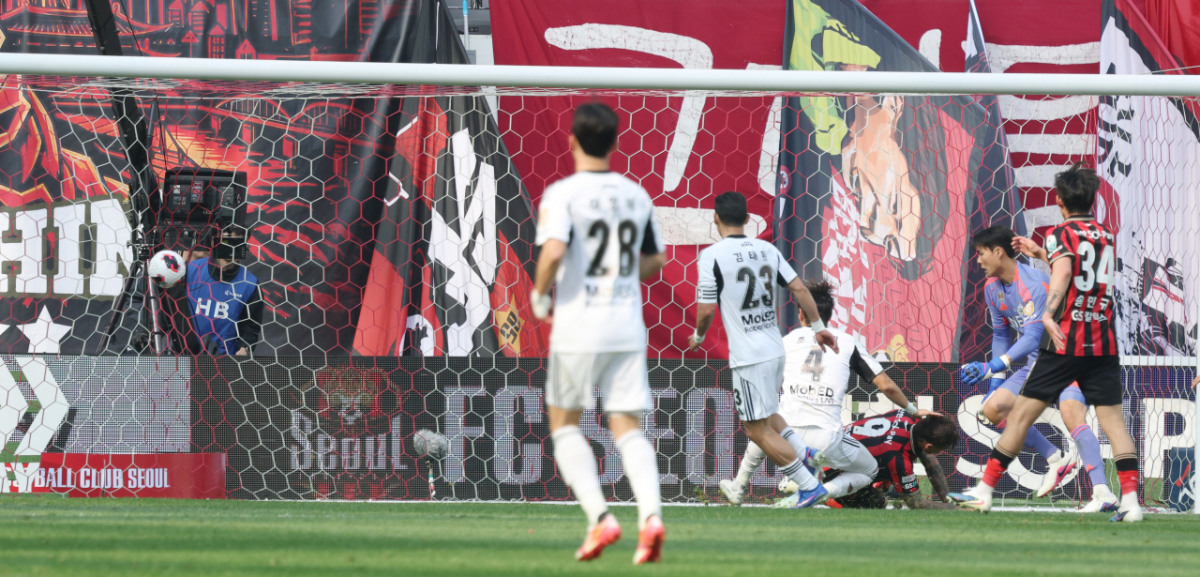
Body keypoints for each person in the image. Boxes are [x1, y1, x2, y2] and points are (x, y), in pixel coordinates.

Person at [957, 163, 1143, 522]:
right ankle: (1130, 503)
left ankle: (986, 490)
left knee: (1024, 416)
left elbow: (1063, 272)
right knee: (1114, 424)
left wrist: (1048, 313)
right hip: (1102, 340)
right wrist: (1042, 253)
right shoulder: (1106, 233)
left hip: (1064, 341)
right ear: (1092, 198)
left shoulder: (1060, 233)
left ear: (1059, 200)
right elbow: (1079, 267)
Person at [530, 102, 666, 564]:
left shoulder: (562, 194)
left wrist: (540, 294)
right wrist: (620, 278)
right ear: (616, 143)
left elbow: (554, 250)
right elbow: (655, 260)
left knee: (565, 424)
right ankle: (651, 517)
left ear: (571, 141)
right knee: (627, 427)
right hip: (626, 325)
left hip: (578, 323)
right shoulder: (636, 195)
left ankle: (600, 518)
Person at [718, 279, 937, 507]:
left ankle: (739, 486)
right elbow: (887, 386)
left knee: (764, 429)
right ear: (830, 314)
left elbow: (768, 385)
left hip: (786, 432)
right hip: (826, 438)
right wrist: (912, 410)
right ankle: (820, 492)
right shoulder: (848, 343)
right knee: (869, 469)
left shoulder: (787, 341)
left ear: (801, 313)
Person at [687, 191, 839, 509]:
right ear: (747, 219)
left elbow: (706, 309)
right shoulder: (767, 249)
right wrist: (818, 327)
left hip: (749, 356)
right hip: (774, 348)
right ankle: (805, 453)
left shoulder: (712, 256)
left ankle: (809, 487)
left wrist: (699, 335)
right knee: (769, 414)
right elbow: (799, 288)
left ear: (715, 218)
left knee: (757, 431)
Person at [961, 226, 1116, 511]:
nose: (978, 260)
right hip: (1038, 364)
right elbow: (1001, 336)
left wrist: (993, 365)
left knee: (1072, 414)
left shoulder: (1034, 284)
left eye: (981, 253)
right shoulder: (992, 288)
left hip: (1069, 360)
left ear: (998, 252)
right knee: (993, 408)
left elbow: (1033, 336)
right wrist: (996, 381)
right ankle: (1056, 459)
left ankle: (1103, 492)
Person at [807, 411, 960, 510]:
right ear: (929, 445)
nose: (938, 452)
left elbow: (930, 462)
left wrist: (948, 500)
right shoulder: (898, 458)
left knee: (886, 471)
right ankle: (827, 497)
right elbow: (915, 502)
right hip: (828, 472)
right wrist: (954, 509)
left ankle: (886, 488)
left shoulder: (905, 414)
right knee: (878, 504)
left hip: (824, 449)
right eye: (939, 449)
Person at [182, 227, 263, 356]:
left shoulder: (250, 284)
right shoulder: (189, 271)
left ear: (245, 247)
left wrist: (244, 348)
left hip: (223, 360)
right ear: (214, 242)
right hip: (183, 355)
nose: (230, 247)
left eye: (236, 242)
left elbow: (250, 327)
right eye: (226, 241)